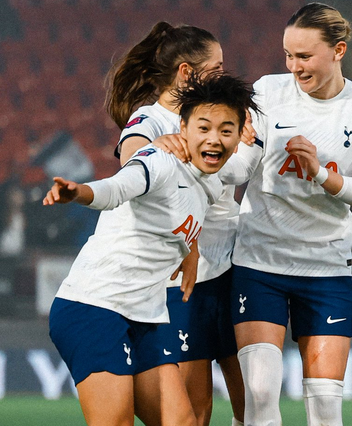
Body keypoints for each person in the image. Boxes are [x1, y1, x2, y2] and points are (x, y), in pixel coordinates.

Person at [45, 73, 254, 426]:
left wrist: (191, 253)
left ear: (237, 136)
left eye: (226, 130)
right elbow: (117, 188)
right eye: (203, 128)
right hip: (94, 307)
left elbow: (183, 214)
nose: (214, 139)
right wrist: (79, 192)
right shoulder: (159, 160)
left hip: (146, 316)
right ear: (182, 127)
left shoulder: (212, 179)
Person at [231, 4, 352, 426]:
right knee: (261, 392)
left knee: (324, 405)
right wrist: (216, 154)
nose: (293, 66)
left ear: (338, 50)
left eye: (304, 56)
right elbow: (243, 168)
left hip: (325, 267)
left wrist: (319, 172)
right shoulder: (267, 91)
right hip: (259, 259)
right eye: (288, 55)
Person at [105, 22, 249, 426]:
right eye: (216, 68)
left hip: (234, 266)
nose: (223, 74)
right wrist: (153, 151)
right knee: (196, 407)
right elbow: (130, 154)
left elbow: (241, 166)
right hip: (185, 281)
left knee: (253, 397)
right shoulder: (150, 118)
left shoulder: (220, 111)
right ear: (187, 72)